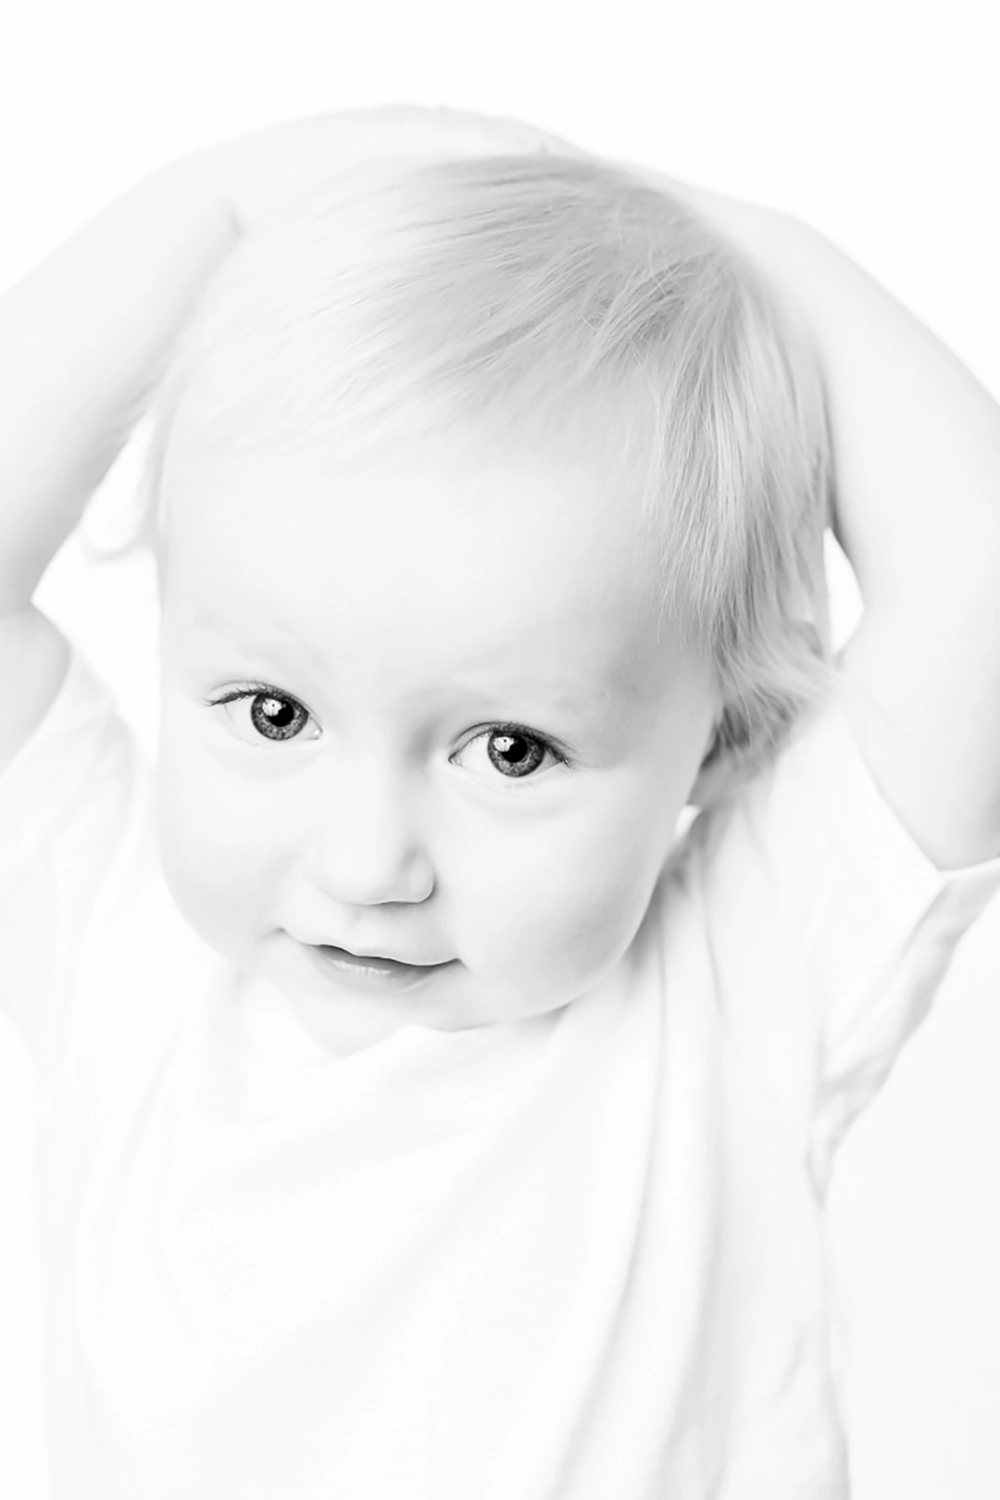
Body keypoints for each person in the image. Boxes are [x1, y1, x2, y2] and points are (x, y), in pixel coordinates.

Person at [0, 105, 997, 1500]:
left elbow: (982, 580)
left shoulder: (733, 995)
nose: (366, 865)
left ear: (729, 741)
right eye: (276, 715)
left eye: (512, 750)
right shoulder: (126, 953)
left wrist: (721, 237)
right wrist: (219, 203)